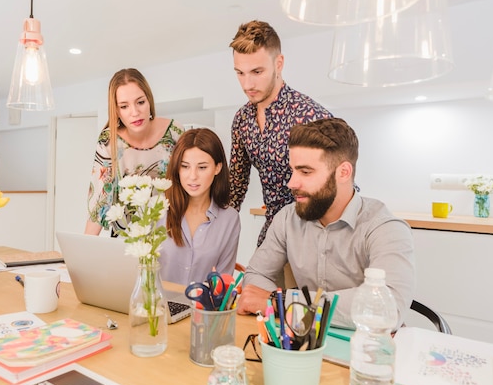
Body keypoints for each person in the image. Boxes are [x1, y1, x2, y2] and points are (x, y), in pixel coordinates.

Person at [236, 118, 415, 329]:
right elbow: (257, 275)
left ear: (343, 172)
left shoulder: (385, 228)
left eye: (305, 172)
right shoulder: (287, 218)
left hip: (369, 352)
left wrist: (282, 304)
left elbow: (389, 307)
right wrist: (288, 307)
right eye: (293, 170)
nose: (291, 183)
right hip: (305, 343)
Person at [228, 20, 333, 247]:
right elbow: (235, 187)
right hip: (273, 234)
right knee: (254, 283)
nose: (247, 84)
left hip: (315, 235)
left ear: (279, 63)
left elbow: (339, 186)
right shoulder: (242, 120)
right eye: (240, 73)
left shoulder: (311, 116)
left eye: (257, 71)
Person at [85, 68, 184, 236]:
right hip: (127, 239)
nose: (135, 112)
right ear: (116, 111)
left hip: (170, 232)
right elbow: (101, 203)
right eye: (124, 106)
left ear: (149, 100)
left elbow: (189, 186)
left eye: (140, 102)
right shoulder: (109, 142)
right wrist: (80, 255)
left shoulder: (174, 132)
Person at [159, 128, 240, 285]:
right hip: (158, 307)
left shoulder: (230, 219)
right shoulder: (157, 209)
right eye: (185, 166)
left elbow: (222, 284)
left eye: (202, 167)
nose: (193, 176)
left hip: (203, 309)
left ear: (217, 168)